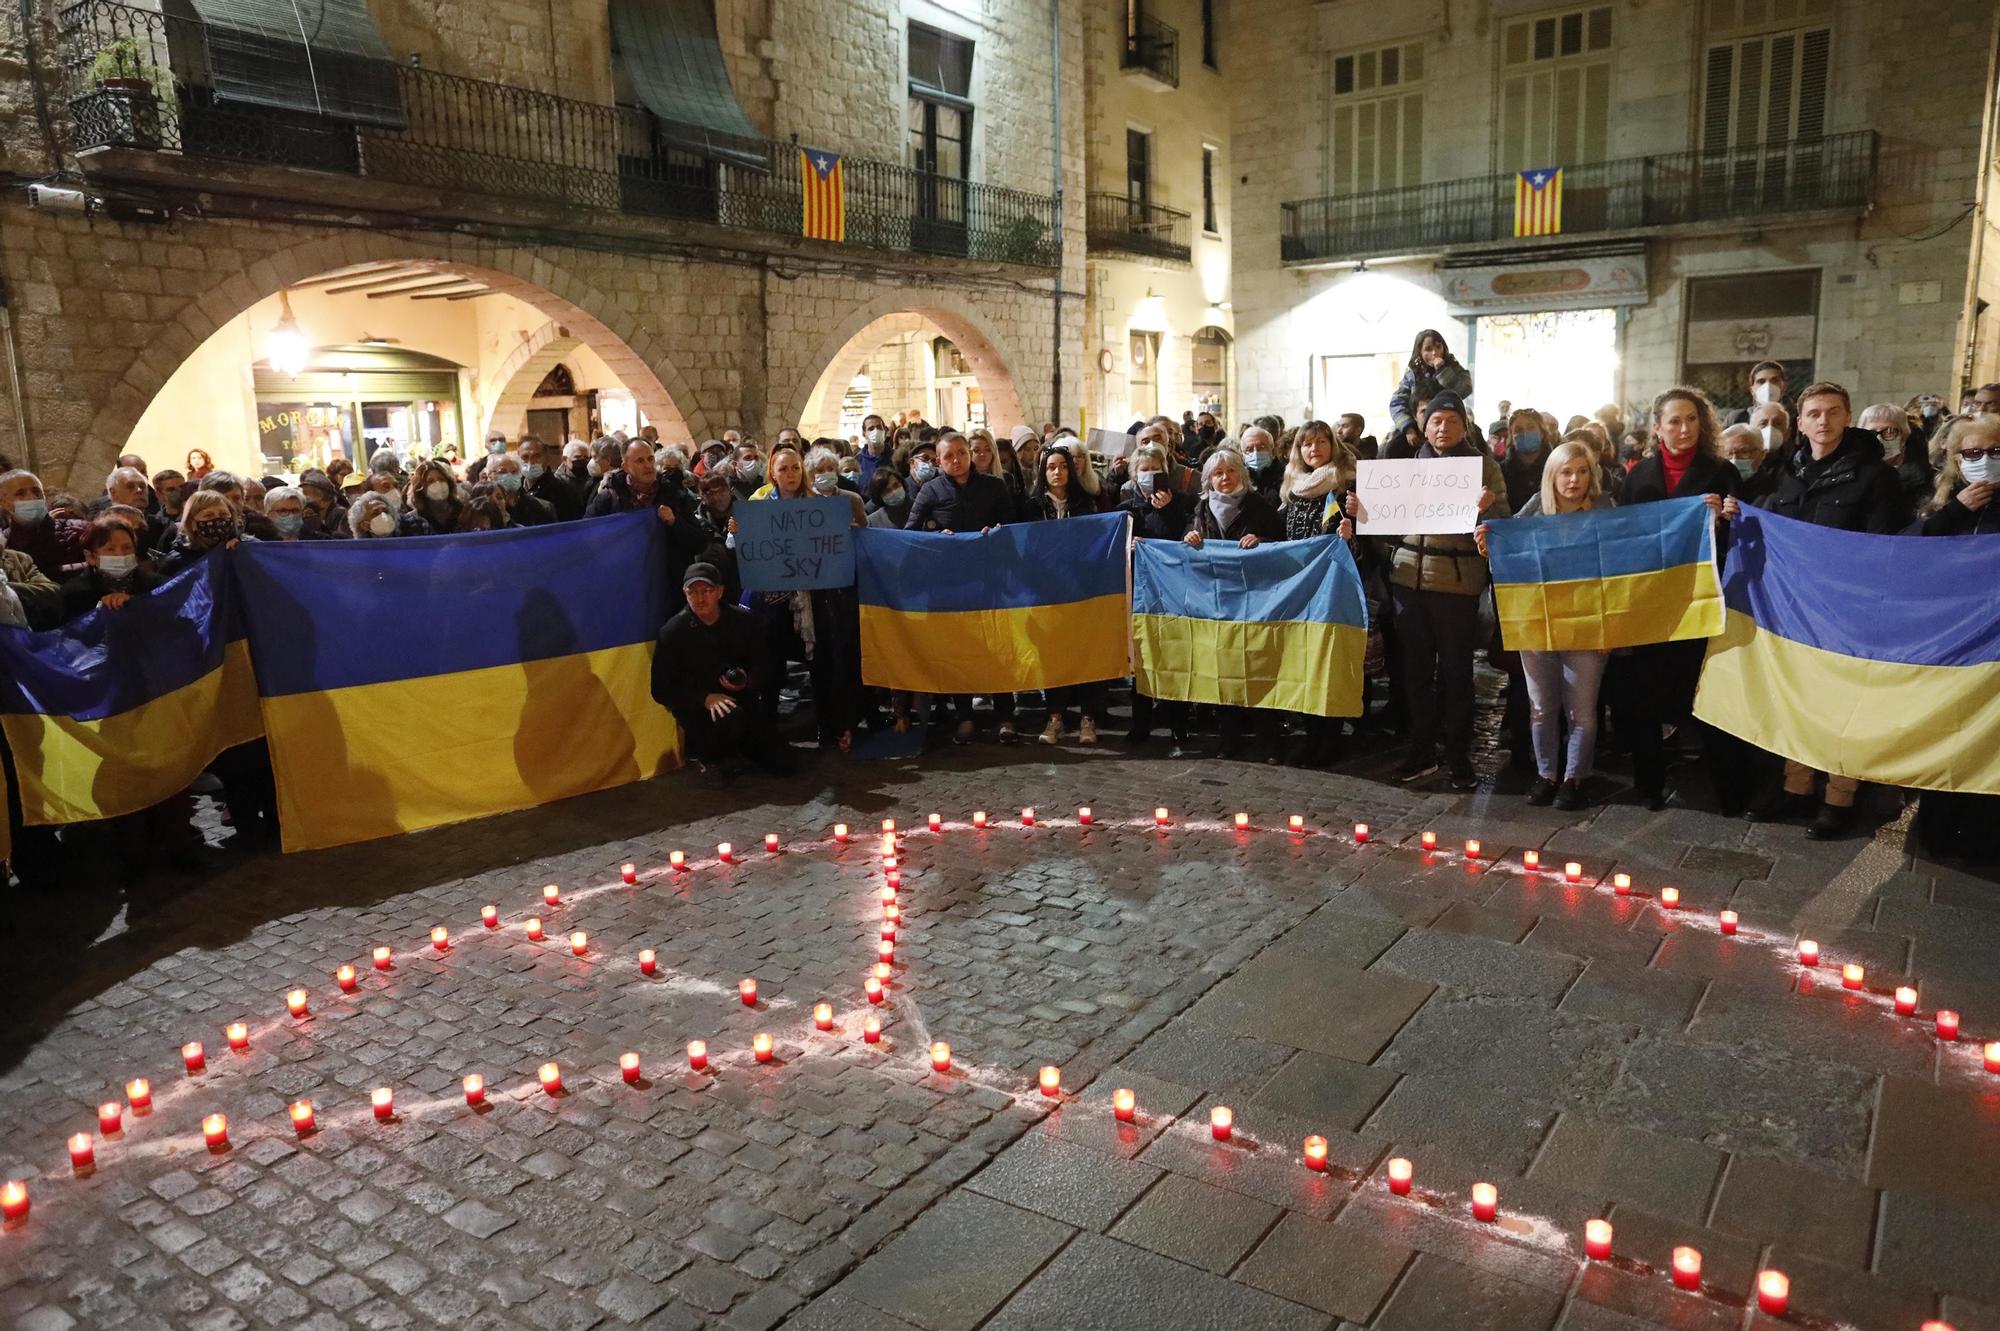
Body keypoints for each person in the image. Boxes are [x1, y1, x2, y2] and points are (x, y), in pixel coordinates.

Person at [1727, 382, 1905, 838]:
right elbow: (1761, 520)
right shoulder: (1783, 472)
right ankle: (1797, 787)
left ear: (1847, 417)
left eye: (1832, 412)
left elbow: (1884, 545)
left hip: (1846, 610)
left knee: (1842, 704)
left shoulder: (1874, 476)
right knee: (1798, 696)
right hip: (1793, 608)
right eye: (1814, 414)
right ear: (1800, 423)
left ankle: (1839, 798)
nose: (1823, 421)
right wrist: (1735, 511)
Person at [1607, 387, 1741, 812]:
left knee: (1705, 690)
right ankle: (1649, 785)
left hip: (1701, 599)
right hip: (1650, 600)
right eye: (1675, 421)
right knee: (1645, 696)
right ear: (1658, 428)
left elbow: (1741, 536)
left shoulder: (1721, 472)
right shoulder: (1639, 476)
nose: (1684, 429)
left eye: (1692, 420)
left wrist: (1726, 519)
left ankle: (1726, 788)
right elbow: (1625, 536)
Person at [1370, 390, 1507, 788]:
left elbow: (1504, 522)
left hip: (1456, 585)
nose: (1443, 428)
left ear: (1464, 425)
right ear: (1424, 426)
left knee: (1456, 673)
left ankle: (1459, 755)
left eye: (1451, 420)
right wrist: (1370, 518)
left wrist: (1488, 508)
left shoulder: (1483, 468)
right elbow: (1386, 529)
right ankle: (1421, 751)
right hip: (1408, 583)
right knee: (1415, 673)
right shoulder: (1408, 467)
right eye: (1435, 421)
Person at [1476, 440, 1610, 809]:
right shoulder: (1535, 508)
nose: (1574, 480)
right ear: (1552, 476)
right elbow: (1509, 548)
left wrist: (1609, 627)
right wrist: (1488, 543)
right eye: (1566, 472)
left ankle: (1574, 778)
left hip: (1587, 624)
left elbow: (1617, 572)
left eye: (1582, 472)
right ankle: (1546, 774)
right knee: (1541, 707)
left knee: (1581, 711)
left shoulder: (1605, 511)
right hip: (1538, 623)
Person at [1185, 447, 1287, 761]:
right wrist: (1189, 537)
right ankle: (1229, 738)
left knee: (1257, 667)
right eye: (1218, 473)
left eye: (1231, 471)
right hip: (1217, 602)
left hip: (1254, 601)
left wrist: (1262, 542)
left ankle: (1268, 739)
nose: (1225, 478)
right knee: (1223, 669)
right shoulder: (1202, 509)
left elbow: (1282, 545)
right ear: (1209, 480)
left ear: (1241, 474)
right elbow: (1188, 543)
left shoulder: (1260, 506)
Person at [652, 564, 796, 779]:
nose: (700, 599)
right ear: (684, 593)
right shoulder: (673, 632)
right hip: (700, 711)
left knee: (785, 763)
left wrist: (747, 680)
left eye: (706, 591)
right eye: (693, 592)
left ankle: (742, 750)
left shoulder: (742, 621)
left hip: (742, 700)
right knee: (727, 725)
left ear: (720, 591)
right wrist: (704, 698)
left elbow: (764, 663)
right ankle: (713, 757)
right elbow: (660, 689)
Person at [1277, 420, 1359, 765]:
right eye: (1307, 444)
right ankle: (1312, 736)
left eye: (1321, 442)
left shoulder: (1347, 486)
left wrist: (1353, 533)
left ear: (1332, 445)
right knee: (1303, 665)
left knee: (1328, 665)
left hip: (1332, 592)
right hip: (1300, 593)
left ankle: (1331, 738)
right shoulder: (1292, 489)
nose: (1314, 449)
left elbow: (1368, 547)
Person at [1026, 442, 1104, 745]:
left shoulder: (1086, 504)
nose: (1056, 472)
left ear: (1071, 470)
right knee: (1053, 658)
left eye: (1062, 466)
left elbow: (1097, 544)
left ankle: (1088, 719)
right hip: (1047, 595)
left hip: (1081, 592)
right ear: (1042, 473)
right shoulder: (1032, 507)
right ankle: (1055, 718)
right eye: (1050, 467)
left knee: (1086, 656)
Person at [588, 440, 707, 602]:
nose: (648, 465)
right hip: (625, 589)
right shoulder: (609, 498)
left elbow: (700, 542)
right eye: (639, 461)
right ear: (625, 466)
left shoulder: (673, 495)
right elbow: (587, 537)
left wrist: (675, 522)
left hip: (668, 590)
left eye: (650, 459)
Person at [60, 518, 165, 622]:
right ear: (91, 557)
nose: (120, 554)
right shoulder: (74, 594)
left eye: (127, 548)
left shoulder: (158, 586)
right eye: (110, 549)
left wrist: (137, 604)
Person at [1389, 329, 1473, 451]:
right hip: (1418, 429)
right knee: (1393, 447)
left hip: (1449, 426)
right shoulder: (1412, 375)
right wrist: (1408, 428)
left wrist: (1443, 371)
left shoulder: (1454, 368)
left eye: (1438, 347)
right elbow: (1397, 402)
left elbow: (1464, 390)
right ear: (1420, 352)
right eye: (1428, 349)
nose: (1434, 353)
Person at [1917, 413, 2000, 536]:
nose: (1985, 460)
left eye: (1996, 451)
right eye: (1973, 453)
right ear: (1959, 461)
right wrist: (1956, 508)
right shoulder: (1942, 489)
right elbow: (1913, 538)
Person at [0, 469, 86, 581]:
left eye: (37, 492)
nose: (32, 498)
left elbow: (101, 565)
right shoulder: (4, 544)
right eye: (20, 494)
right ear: (3, 503)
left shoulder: (79, 531)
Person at [1857, 402, 1933, 515]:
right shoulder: (1852, 476)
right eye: (1871, 433)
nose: (1879, 439)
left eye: (1889, 432)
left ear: (1904, 437)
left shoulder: (1927, 481)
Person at [155, 490, 247, 576]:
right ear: (192, 523)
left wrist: (242, 549)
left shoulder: (243, 548)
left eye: (223, 514)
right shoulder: (176, 562)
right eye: (208, 515)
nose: (218, 519)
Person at [520, 436, 583, 521]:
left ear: (547, 459)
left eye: (536, 456)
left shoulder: (565, 492)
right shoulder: (515, 492)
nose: (530, 462)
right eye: (525, 457)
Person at [487, 454, 556, 526]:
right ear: (489, 476)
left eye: (514, 472)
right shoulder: (483, 508)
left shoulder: (542, 507)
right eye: (502, 472)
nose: (509, 476)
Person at [1719, 424, 1779, 505]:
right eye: (1728, 453)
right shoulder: (1715, 487)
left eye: (1744, 452)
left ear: (1762, 454)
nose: (1735, 459)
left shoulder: (1775, 492)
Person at [1724, 359, 1792, 427]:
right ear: (1752, 390)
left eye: (1774, 381)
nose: (1768, 386)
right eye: (1761, 382)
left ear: (1784, 386)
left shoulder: (1795, 417)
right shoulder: (1737, 419)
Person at [406, 459, 463, 535]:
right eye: (430, 481)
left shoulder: (464, 512)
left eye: (441, 479)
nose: (438, 483)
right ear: (421, 488)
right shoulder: (412, 521)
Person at [1240, 424, 1283, 500]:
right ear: (1242, 455)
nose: (1255, 453)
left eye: (1261, 447)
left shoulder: (1286, 476)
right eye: (1249, 450)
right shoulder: (1239, 479)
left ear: (1273, 451)